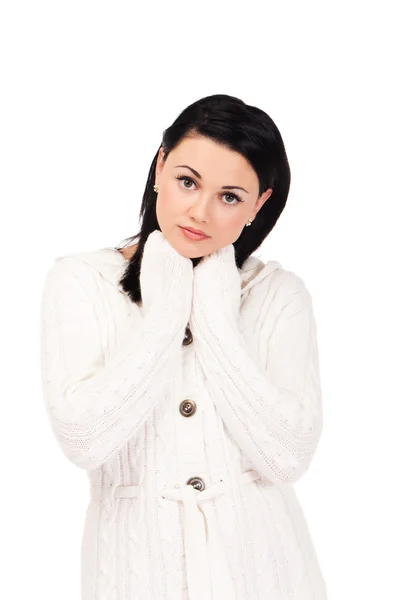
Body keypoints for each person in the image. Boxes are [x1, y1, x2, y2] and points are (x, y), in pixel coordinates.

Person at [40, 93, 327, 600]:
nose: (201, 212)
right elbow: (84, 441)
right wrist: (168, 310)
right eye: (187, 181)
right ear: (160, 167)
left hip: (268, 574)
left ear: (259, 205)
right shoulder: (80, 281)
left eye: (230, 196)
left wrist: (214, 317)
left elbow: (286, 458)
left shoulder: (278, 295)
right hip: (137, 576)